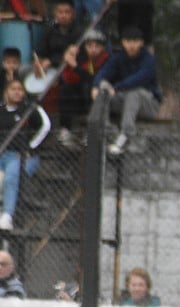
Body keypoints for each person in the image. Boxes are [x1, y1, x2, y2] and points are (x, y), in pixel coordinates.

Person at [91, 25, 161, 155]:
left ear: (141, 43)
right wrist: (96, 86)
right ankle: (107, 133)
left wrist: (116, 88)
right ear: (123, 42)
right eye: (128, 41)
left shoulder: (148, 59)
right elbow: (103, 73)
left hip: (149, 104)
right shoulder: (119, 58)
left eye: (135, 41)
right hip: (125, 101)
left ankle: (126, 136)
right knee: (103, 91)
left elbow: (138, 79)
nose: (131, 45)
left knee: (134, 92)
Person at [0, 78, 50, 231]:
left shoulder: (29, 108)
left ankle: (7, 216)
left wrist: (29, 148)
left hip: (23, 157)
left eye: (20, 89)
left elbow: (46, 126)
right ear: (6, 92)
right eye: (13, 89)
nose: (17, 92)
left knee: (11, 176)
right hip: (3, 157)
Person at [57, 27, 108, 145]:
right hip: (80, 100)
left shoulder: (107, 59)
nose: (93, 50)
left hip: (99, 99)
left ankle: (89, 131)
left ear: (103, 47)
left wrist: (75, 66)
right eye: (89, 46)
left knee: (88, 87)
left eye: (97, 46)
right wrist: (68, 62)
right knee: (66, 89)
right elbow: (69, 79)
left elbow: (93, 79)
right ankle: (65, 129)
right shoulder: (82, 59)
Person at [36, 0, 80, 71]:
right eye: (60, 12)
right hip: (48, 67)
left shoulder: (77, 32)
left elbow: (74, 56)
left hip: (68, 68)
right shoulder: (49, 29)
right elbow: (41, 51)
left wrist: (51, 61)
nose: (63, 16)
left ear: (73, 14)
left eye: (67, 12)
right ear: (55, 13)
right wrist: (39, 62)